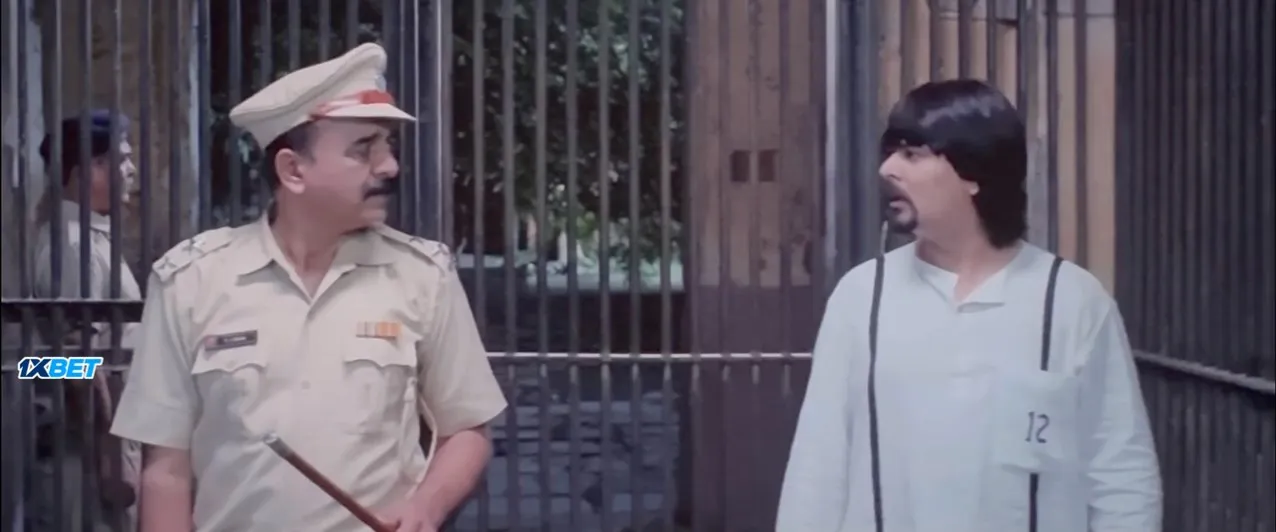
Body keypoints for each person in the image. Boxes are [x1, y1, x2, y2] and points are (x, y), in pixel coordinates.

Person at [109, 43, 508, 532]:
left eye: (387, 146)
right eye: (364, 148)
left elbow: (467, 429)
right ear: (293, 170)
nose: (389, 166)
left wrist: (427, 507)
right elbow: (165, 471)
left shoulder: (422, 275)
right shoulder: (190, 282)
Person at [775, 79, 1162, 532]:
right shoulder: (862, 296)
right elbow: (818, 465)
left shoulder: (1071, 300)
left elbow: (1120, 473)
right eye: (891, 152)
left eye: (912, 154)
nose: (887, 169)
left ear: (973, 173)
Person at [26, 110, 141, 532]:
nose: (131, 170)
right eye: (122, 159)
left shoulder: (86, 238)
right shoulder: (73, 246)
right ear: (88, 170)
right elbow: (76, 361)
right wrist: (110, 455)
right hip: (88, 456)